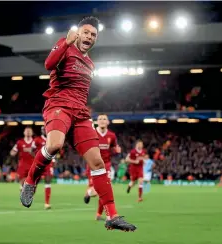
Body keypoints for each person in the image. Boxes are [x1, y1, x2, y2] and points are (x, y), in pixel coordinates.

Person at [20, 16, 137, 232]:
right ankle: (30, 181)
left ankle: (112, 215)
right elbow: (48, 64)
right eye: (86, 33)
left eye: (93, 35)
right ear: (78, 33)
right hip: (59, 106)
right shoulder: (65, 47)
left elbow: (82, 92)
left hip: (80, 114)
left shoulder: (90, 63)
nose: (89, 37)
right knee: (55, 145)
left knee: (98, 163)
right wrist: (65, 41)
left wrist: (84, 115)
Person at [84, 114, 121, 221]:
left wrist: (116, 151)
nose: (102, 120)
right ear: (97, 122)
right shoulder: (91, 133)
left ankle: (101, 215)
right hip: (93, 165)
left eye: (104, 119)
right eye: (100, 119)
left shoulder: (112, 136)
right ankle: (89, 193)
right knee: (96, 193)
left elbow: (113, 149)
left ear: (108, 122)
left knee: (105, 190)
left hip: (106, 166)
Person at [33, 126, 54, 210]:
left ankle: (47, 203)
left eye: (45, 129)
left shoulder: (52, 140)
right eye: (42, 129)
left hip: (49, 164)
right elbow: (32, 150)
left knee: (48, 181)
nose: (44, 131)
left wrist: (54, 160)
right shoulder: (37, 140)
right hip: (39, 164)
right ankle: (29, 196)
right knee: (35, 181)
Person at [10, 127, 35, 191]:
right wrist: (13, 152)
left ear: (32, 133)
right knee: (22, 180)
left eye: (29, 131)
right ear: (24, 133)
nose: (28, 132)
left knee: (31, 181)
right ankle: (22, 192)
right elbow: (12, 152)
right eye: (26, 131)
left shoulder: (35, 142)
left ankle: (28, 193)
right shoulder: (20, 142)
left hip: (32, 164)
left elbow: (38, 153)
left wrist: (31, 152)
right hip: (22, 164)